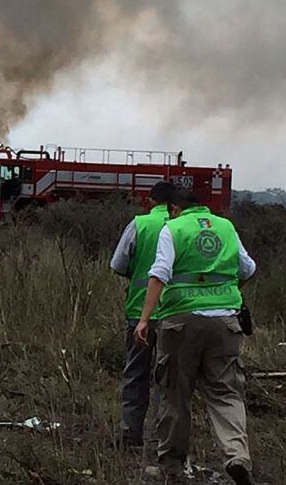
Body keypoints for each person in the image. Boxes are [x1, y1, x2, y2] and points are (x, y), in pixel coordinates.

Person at [134, 187, 257, 484]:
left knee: (174, 393)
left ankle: (172, 467)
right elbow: (249, 268)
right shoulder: (225, 226)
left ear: (175, 208)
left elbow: (159, 273)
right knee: (226, 393)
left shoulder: (173, 228)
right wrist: (225, 292)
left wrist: (144, 319)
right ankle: (237, 455)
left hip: (181, 323)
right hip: (226, 322)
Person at [110, 181, 175, 448]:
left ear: (150, 201)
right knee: (167, 378)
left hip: (139, 312)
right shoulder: (181, 228)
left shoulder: (139, 224)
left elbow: (118, 264)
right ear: (175, 204)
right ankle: (161, 439)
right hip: (174, 313)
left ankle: (129, 435)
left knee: (135, 373)